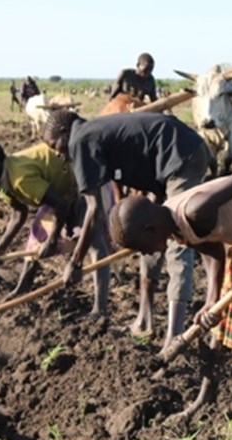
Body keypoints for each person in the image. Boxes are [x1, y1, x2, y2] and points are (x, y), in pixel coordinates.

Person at [110, 160, 232, 440]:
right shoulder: (174, 226)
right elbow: (213, 247)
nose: (148, 254)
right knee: (220, 319)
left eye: (144, 248)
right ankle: (206, 395)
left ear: (151, 228)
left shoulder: (194, 209)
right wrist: (212, 299)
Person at [43, 109, 209, 348]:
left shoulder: (79, 139)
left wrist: (76, 262)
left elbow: (94, 210)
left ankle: (173, 339)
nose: (58, 154)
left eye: (54, 145)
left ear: (64, 132)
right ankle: (144, 320)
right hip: (170, 162)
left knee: (178, 240)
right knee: (148, 235)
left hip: (180, 159)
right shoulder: (92, 132)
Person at [0, 139, 107, 308]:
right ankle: (22, 289)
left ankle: (100, 308)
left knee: (93, 242)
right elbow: (18, 214)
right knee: (36, 237)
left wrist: (52, 240)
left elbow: (60, 205)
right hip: (61, 192)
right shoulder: (1, 182)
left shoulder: (20, 178)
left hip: (83, 179)